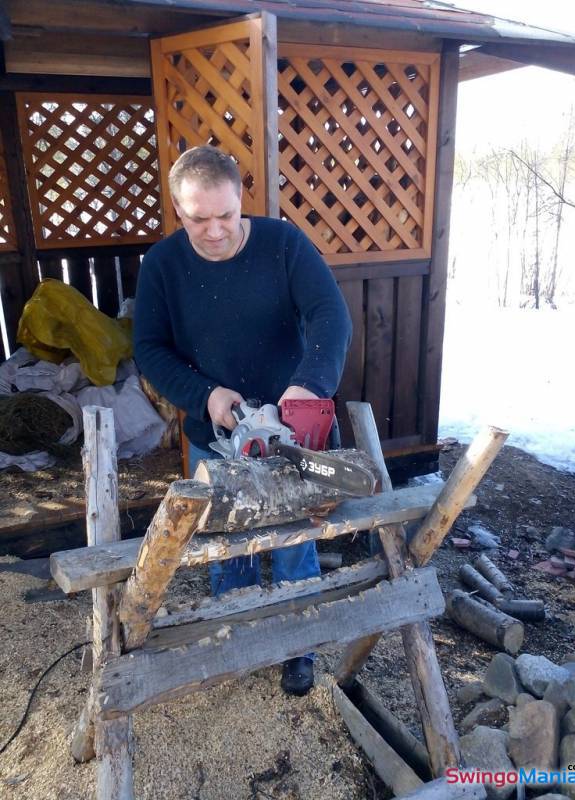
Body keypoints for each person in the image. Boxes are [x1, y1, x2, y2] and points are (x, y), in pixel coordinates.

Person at [134, 145, 352, 695]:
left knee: (293, 537)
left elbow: (331, 314)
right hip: (218, 434)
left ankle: (297, 646)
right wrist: (204, 395)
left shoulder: (282, 245)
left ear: (241, 201)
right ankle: (233, 637)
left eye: (225, 216)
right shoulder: (161, 265)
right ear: (178, 211)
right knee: (225, 541)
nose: (213, 231)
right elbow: (151, 350)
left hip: (287, 430)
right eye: (197, 219)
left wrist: (308, 387)